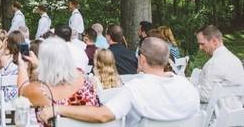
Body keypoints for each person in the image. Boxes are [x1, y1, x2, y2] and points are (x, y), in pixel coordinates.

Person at [37, 37, 200, 127]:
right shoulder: (188, 87)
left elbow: (102, 115)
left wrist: (57, 108)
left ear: (142, 59)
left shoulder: (135, 89)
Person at [17, 37, 100, 127]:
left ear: (43, 60)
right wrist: (39, 65)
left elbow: (22, 93)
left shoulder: (42, 91)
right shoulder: (83, 76)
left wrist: (22, 65)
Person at [196, 24, 244, 112]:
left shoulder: (214, 63)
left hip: (216, 119)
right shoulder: (236, 60)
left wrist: (189, 89)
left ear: (214, 41)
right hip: (237, 113)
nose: (200, 48)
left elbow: (205, 96)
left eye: (202, 44)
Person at [0, 31, 23, 127]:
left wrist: (3, 48)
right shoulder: (24, 58)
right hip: (22, 95)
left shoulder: (5, 58)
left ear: (9, 43)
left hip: (7, 98)